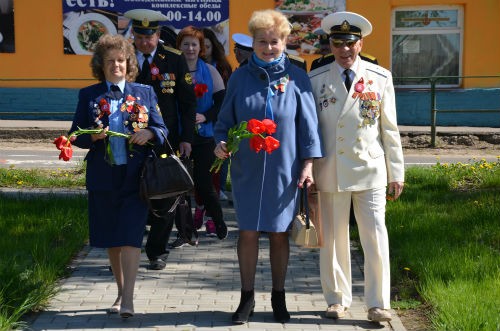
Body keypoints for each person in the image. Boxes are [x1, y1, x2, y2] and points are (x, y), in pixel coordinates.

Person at [214, 9, 322, 324]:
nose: (268, 47)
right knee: (247, 232)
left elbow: (309, 128)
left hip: (284, 171)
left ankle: (278, 296)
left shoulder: (297, 77)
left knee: (278, 234)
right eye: (262, 42)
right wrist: (221, 144)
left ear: (284, 41)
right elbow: (223, 123)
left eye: (274, 41)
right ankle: (246, 297)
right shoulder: (240, 76)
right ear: (254, 43)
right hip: (247, 171)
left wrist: (308, 165)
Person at [308, 11, 405, 322]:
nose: (345, 50)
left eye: (350, 43)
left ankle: (378, 303)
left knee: (375, 237)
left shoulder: (380, 77)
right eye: (338, 43)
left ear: (360, 43)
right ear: (331, 45)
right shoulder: (316, 79)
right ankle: (337, 299)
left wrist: (397, 172)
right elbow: (310, 130)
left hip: (371, 169)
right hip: (331, 170)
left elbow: (389, 129)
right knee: (333, 239)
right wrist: (307, 169)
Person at [68, 34, 168, 318]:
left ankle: (128, 299)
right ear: (101, 64)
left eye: (121, 61)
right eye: (110, 61)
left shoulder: (144, 93)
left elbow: (163, 129)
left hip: (136, 177)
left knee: (131, 237)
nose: (116, 66)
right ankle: (120, 291)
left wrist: (150, 132)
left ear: (129, 63)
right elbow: (75, 134)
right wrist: (92, 136)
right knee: (112, 238)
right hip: (104, 177)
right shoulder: (89, 95)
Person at [124, 9, 197, 270]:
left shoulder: (174, 59)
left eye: (150, 36)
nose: (145, 42)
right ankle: (125, 252)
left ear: (158, 34)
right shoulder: (123, 56)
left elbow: (188, 103)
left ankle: (157, 251)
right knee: (130, 194)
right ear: (133, 33)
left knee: (166, 195)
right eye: (140, 36)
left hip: (167, 138)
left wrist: (187, 138)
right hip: (128, 139)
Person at [176, 25, 228, 240]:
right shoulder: (172, 69)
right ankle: (185, 231)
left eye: (194, 44)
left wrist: (206, 116)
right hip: (179, 135)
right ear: (179, 47)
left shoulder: (210, 71)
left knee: (205, 185)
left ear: (201, 48)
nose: (190, 48)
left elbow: (221, 102)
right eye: (185, 44)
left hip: (204, 135)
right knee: (180, 187)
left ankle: (219, 222)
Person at [310, 28, 378, 71]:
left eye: (350, 43)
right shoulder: (319, 63)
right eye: (322, 44)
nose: (324, 47)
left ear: (360, 44)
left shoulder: (369, 61)